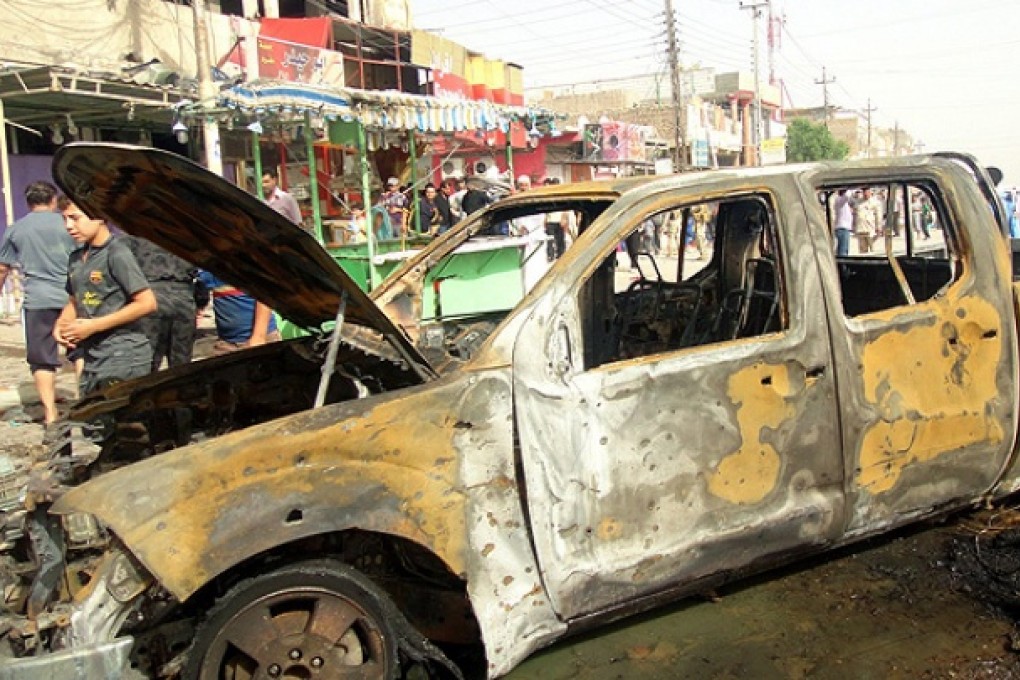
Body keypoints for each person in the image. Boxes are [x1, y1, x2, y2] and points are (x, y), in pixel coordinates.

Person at [54, 198, 157, 398]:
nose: (68, 226)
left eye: (75, 218)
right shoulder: (76, 258)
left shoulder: (117, 253)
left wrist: (93, 326)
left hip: (123, 354)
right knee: (92, 422)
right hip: (91, 356)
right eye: (64, 219)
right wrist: (62, 323)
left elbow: (147, 303)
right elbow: (75, 299)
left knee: (119, 424)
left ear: (99, 217)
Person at [0, 181, 76, 424]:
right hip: (71, 298)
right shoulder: (69, 223)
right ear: (53, 200)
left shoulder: (15, 230)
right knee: (80, 351)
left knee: (42, 359)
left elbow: (2, 268)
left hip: (37, 301)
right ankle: (87, 402)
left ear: (28, 202)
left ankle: (50, 413)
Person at [127, 236, 197, 371]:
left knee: (146, 363)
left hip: (150, 295)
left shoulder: (134, 234)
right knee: (182, 363)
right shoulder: (185, 235)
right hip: (183, 296)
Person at [197, 270, 279, 355]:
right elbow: (201, 289)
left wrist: (259, 337)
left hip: (260, 338)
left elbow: (265, 295)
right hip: (226, 342)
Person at [853, 187, 882, 254]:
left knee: (873, 249)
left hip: (871, 228)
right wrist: (854, 227)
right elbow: (855, 214)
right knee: (863, 250)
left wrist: (879, 227)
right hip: (861, 228)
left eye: (867, 192)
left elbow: (878, 215)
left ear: (870, 192)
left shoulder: (875, 202)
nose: (865, 194)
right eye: (864, 192)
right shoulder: (858, 201)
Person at [833, 189, 853, 256]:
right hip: (842, 229)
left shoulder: (843, 202)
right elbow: (847, 196)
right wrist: (850, 188)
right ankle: (842, 266)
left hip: (844, 229)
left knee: (844, 251)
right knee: (842, 252)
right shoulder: (840, 200)